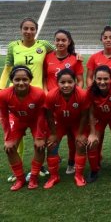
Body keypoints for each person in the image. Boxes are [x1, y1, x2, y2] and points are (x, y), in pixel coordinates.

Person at [0, 17, 54, 182]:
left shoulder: (44, 45)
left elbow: (60, 53)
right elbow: (8, 68)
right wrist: (2, 87)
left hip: (38, 96)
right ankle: (20, 168)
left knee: (40, 134)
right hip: (17, 92)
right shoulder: (12, 46)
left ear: (36, 30)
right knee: (17, 133)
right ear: (21, 29)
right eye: (26, 28)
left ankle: (40, 167)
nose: (29, 31)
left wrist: (76, 55)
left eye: (32, 29)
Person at [0, 66, 48, 191]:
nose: (21, 83)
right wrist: (8, 137)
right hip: (17, 120)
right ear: (12, 80)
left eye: (25, 79)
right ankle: (20, 179)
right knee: (9, 148)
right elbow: (4, 117)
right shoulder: (3, 94)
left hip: (35, 120)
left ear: (30, 80)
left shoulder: (39, 93)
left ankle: (33, 177)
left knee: (40, 145)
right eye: (17, 79)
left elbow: (41, 115)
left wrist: (39, 137)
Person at [43, 29, 84, 175]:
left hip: (70, 102)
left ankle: (72, 163)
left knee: (73, 138)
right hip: (53, 104)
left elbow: (79, 80)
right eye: (58, 40)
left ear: (69, 42)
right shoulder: (47, 57)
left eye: (63, 40)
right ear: (54, 41)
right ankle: (55, 161)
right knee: (52, 137)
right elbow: (43, 78)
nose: (60, 43)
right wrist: (47, 93)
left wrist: (74, 95)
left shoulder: (75, 58)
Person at [44, 68, 90, 188]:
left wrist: (80, 134)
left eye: (70, 82)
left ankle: (78, 175)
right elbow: (49, 117)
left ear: (75, 82)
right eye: (62, 82)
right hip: (60, 123)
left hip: (77, 123)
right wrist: (53, 134)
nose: (66, 85)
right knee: (51, 145)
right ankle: (54, 176)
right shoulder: (51, 95)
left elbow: (85, 116)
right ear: (57, 83)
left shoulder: (83, 94)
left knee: (80, 144)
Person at [86, 65, 111, 183]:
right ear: (94, 78)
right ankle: (94, 170)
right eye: (99, 79)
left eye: (105, 79)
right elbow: (91, 113)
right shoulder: (90, 90)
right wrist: (92, 133)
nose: (102, 82)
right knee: (92, 142)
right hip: (99, 118)